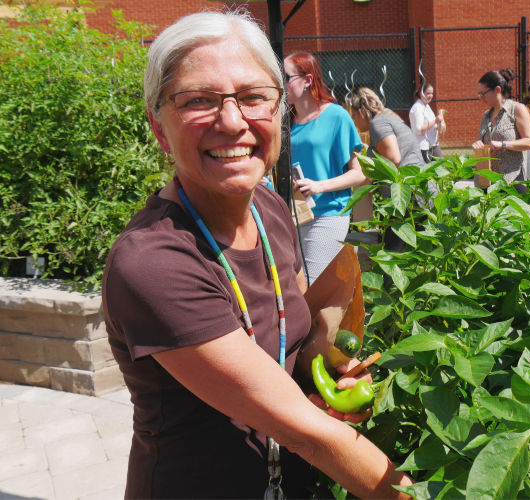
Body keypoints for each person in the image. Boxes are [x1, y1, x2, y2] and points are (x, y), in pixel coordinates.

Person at [102, 10, 412, 499]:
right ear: (160, 128)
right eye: (198, 100)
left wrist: (325, 373)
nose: (231, 121)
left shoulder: (267, 206)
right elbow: (303, 432)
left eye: (253, 97)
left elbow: (291, 335)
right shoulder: (154, 263)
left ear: (279, 112)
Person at [285, 51, 366, 285]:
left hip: (328, 215)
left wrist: (319, 185)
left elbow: (358, 173)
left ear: (308, 80)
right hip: (293, 216)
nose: (280, 85)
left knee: (312, 286)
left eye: (286, 77)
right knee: (296, 287)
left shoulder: (336, 116)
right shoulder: (285, 122)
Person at [350, 87, 425, 251]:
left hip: (407, 198)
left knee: (391, 256)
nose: (354, 121)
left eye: (354, 116)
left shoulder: (378, 123)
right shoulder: (388, 119)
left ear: (363, 111)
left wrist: (369, 178)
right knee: (412, 251)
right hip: (413, 195)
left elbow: (393, 158)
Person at [471, 69, 530, 189]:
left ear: (497, 90)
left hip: (512, 181)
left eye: (483, 93)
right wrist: (480, 146)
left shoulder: (516, 109)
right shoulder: (486, 115)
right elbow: (486, 144)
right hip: (488, 182)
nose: (481, 98)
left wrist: (503, 144)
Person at [408, 83, 444, 163]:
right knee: (428, 173)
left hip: (433, 145)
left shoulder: (426, 106)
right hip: (423, 147)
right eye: (428, 93)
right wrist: (435, 121)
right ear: (421, 94)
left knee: (442, 169)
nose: (430, 96)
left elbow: (431, 125)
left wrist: (439, 125)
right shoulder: (418, 108)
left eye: (432, 93)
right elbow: (419, 129)